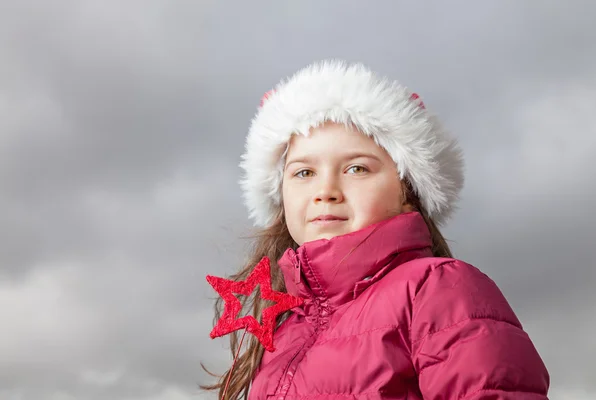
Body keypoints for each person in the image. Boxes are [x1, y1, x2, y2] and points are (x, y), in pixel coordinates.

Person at [203, 60, 550, 400]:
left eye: (356, 169)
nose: (326, 190)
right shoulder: (283, 325)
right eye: (304, 173)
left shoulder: (435, 289)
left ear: (408, 194)